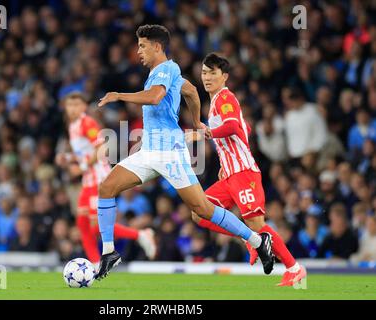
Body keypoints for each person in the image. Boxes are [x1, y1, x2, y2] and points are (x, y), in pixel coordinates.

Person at [96, 25, 274, 279]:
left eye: (142, 46)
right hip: (148, 151)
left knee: (203, 209)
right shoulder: (164, 73)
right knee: (106, 188)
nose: (138, 52)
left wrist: (119, 95)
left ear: (157, 47)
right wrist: (197, 122)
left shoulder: (168, 69)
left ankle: (258, 240)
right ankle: (109, 253)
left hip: (170, 153)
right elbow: (190, 92)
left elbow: (156, 97)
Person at [190, 53, 306, 286]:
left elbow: (233, 126)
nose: (207, 77)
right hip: (230, 174)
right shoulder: (215, 103)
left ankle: (294, 268)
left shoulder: (224, 97)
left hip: (243, 173)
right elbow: (245, 127)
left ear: (225, 77)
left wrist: (207, 133)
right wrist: (225, 161)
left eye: (213, 73)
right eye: (204, 72)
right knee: (199, 212)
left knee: (257, 224)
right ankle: (252, 240)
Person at [55, 92, 157, 265]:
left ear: (83, 107)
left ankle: (141, 234)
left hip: (99, 179)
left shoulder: (87, 123)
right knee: (82, 223)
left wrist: (81, 167)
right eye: (69, 105)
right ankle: (96, 264)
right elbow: (85, 152)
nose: (72, 109)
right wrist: (67, 158)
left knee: (97, 225)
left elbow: (102, 148)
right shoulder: (73, 126)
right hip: (88, 180)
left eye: (76, 105)